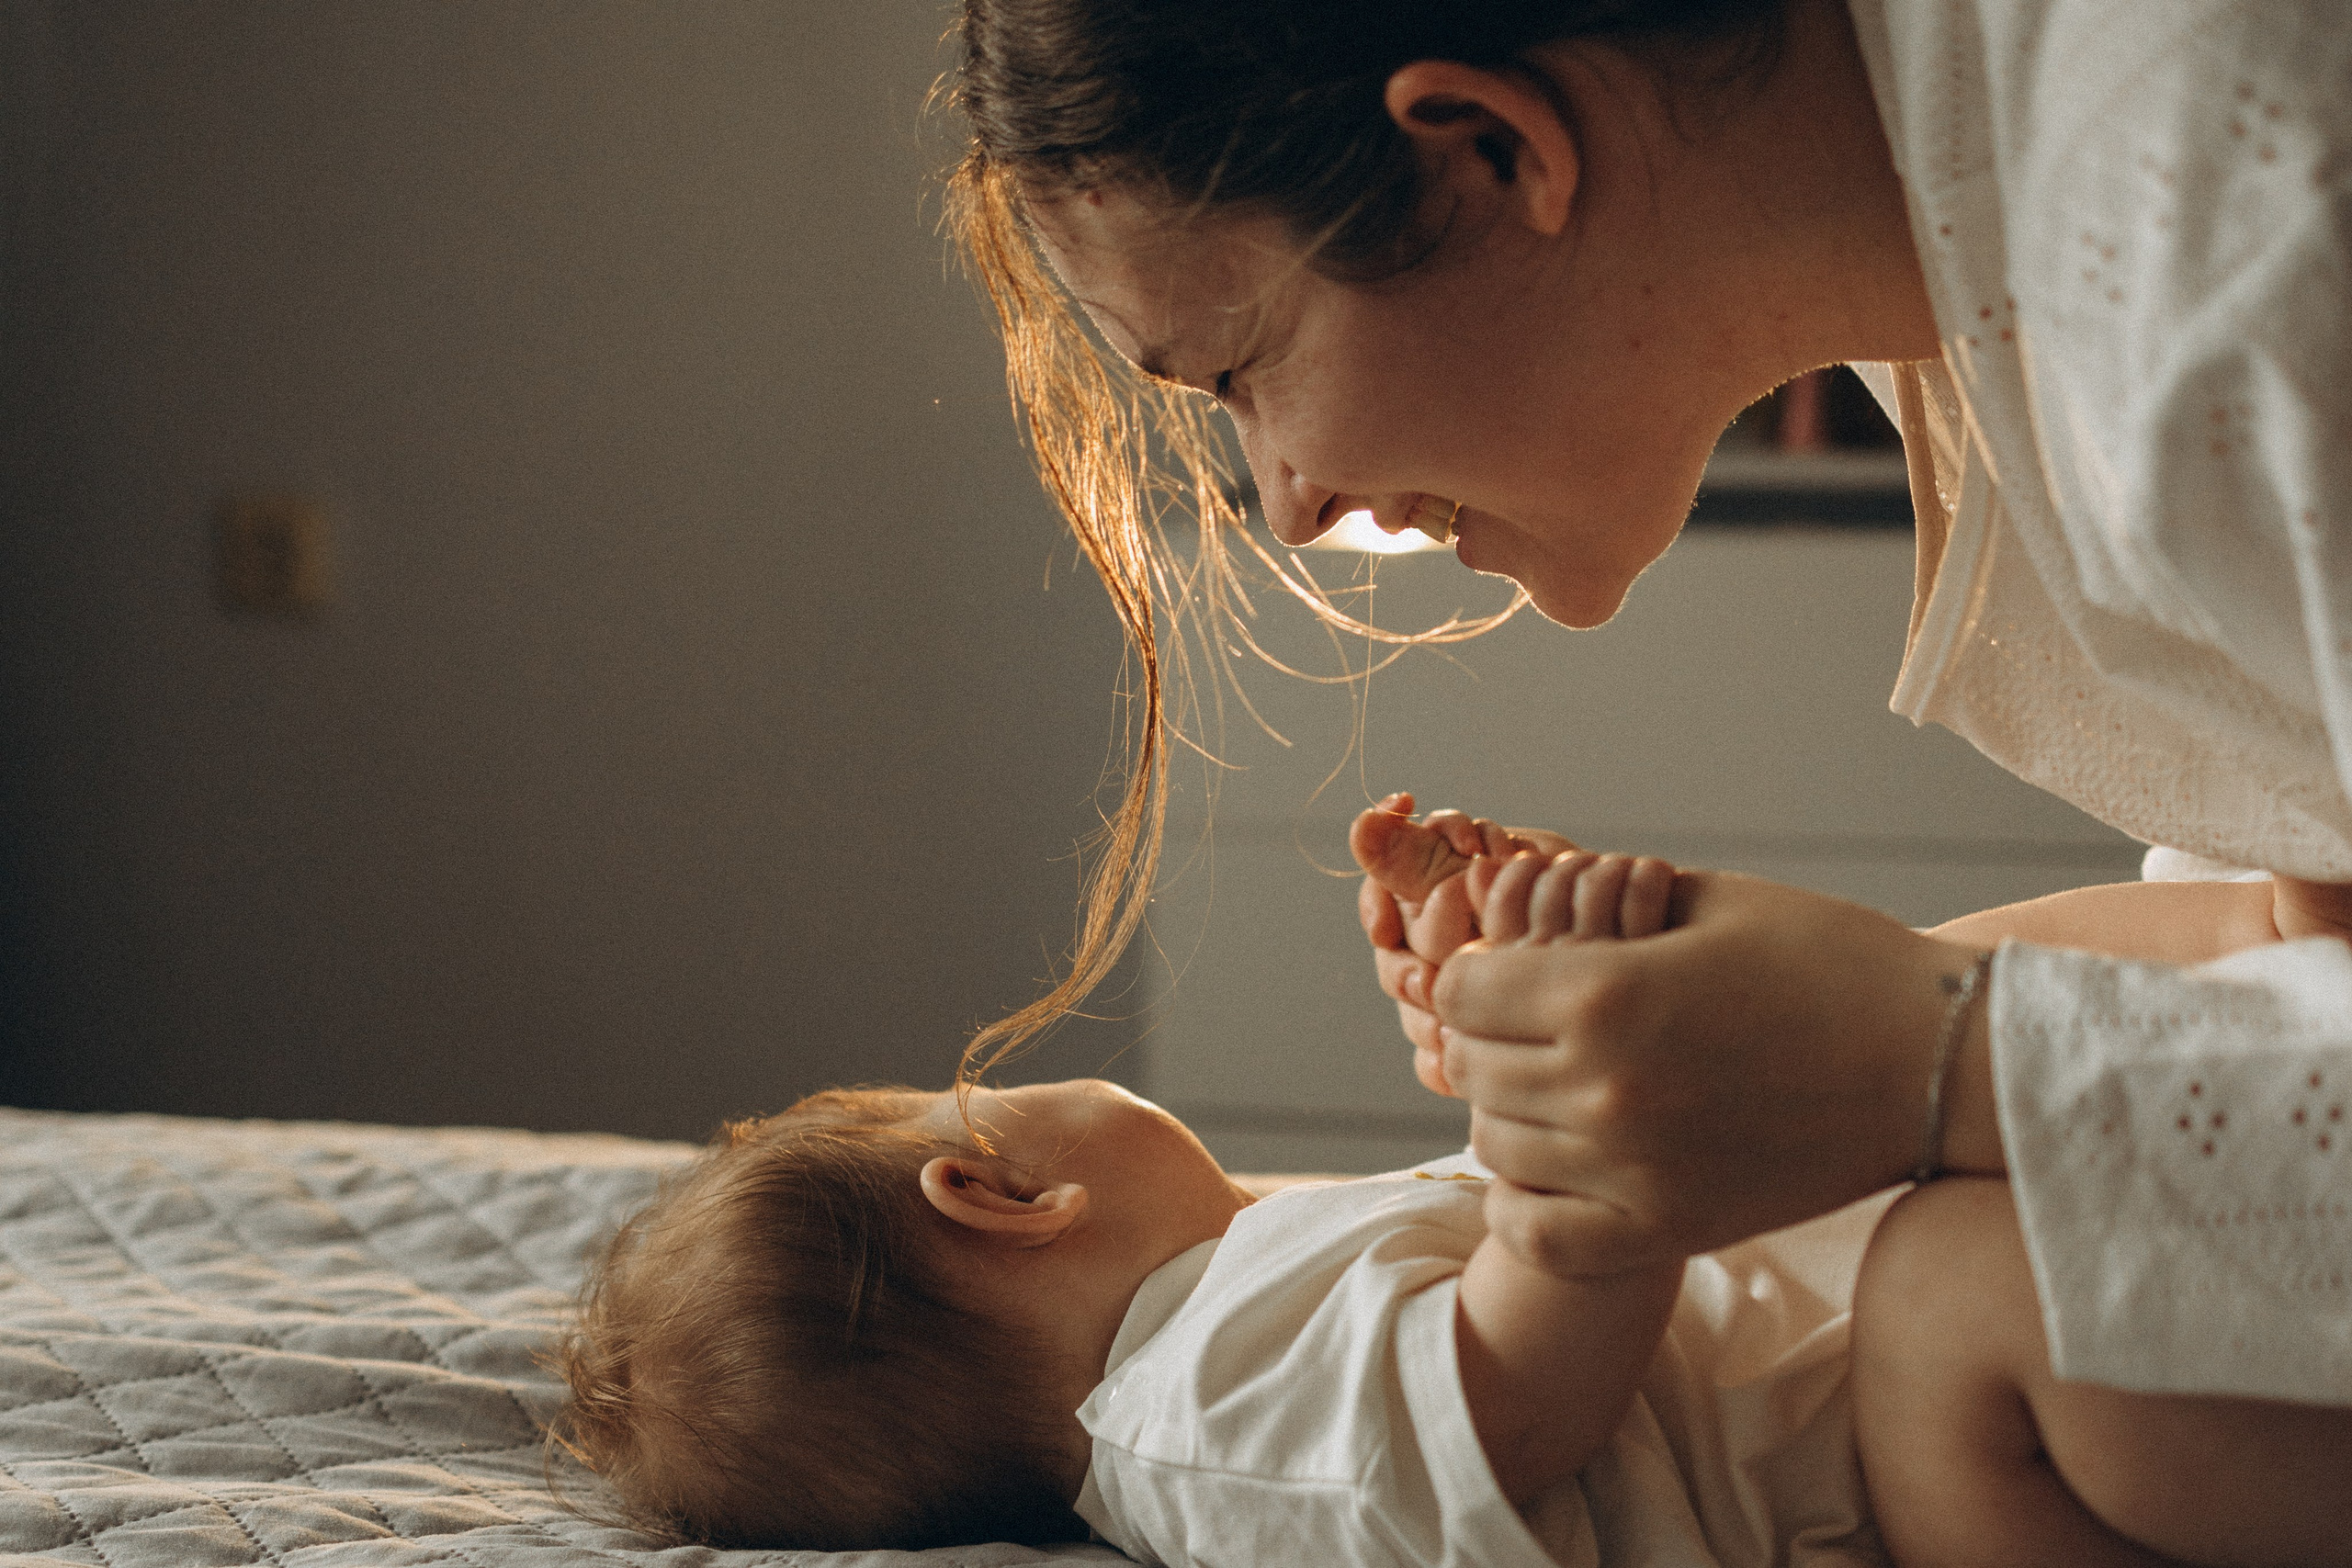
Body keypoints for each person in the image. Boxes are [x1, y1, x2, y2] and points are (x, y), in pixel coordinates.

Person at [940, 0, 2352, 1451]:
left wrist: (1927, 1062)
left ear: (1490, 152)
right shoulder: (1979, 240)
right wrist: (1793, 1022)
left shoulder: (2243, 234)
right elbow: (2308, 927)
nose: (1290, 500)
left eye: (1239, 371)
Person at [552, 835, 2348, 1565]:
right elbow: (1523, 1371)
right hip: (1914, 1489)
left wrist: (1507, 1023)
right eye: (992, 1082)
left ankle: (2266, 954)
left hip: (1860, 1366)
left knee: (1929, 986)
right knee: (1970, 1273)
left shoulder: (1224, 1293)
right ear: (994, 1184)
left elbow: (1494, 1239)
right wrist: (1561, 1126)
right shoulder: (1194, 1422)